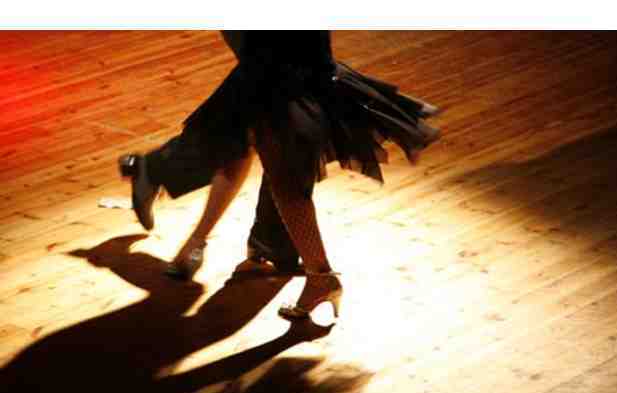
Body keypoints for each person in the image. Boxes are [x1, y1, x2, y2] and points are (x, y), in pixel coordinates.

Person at [119, 31, 440, 321]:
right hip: (280, 56)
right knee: (251, 137)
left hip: (286, 58)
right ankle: (280, 254)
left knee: (262, 146)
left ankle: (294, 260)